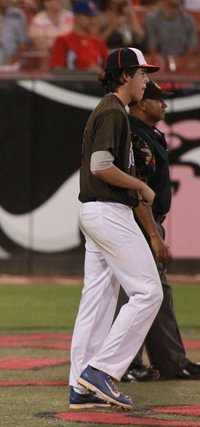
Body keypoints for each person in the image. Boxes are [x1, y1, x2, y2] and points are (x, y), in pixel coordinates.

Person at [68, 47, 163, 411]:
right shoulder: (112, 111)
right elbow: (100, 165)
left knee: (97, 300)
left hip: (95, 211)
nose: (146, 80)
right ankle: (101, 371)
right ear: (123, 75)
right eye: (141, 73)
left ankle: (82, 385)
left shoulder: (110, 110)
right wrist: (139, 185)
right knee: (148, 293)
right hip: (108, 210)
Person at [116, 81, 200, 383]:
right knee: (140, 292)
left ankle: (170, 362)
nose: (164, 105)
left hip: (148, 221)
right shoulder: (133, 134)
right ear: (142, 104)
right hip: (138, 223)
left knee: (153, 292)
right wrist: (153, 234)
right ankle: (127, 365)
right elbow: (137, 189)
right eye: (158, 100)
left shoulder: (149, 133)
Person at [50, 0, 108, 71]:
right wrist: (85, 72)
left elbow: (111, 68)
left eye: (93, 17)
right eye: (87, 16)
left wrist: (100, 73)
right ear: (76, 16)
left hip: (96, 81)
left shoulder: (98, 42)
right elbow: (57, 68)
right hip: (72, 81)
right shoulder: (63, 40)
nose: (92, 20)